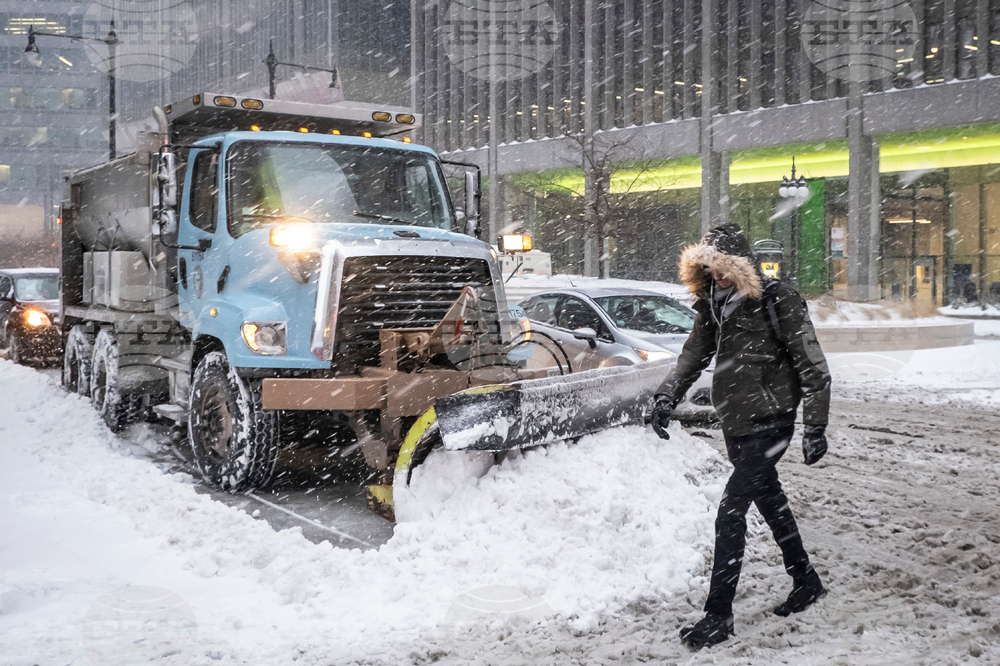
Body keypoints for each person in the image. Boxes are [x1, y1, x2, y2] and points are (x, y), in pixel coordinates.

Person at [650, 223, 832, 650]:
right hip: (737, 422)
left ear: (742, 265)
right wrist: (665, 397)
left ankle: (718, 615)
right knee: (771, 502)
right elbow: (693, 355)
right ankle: (805, 580)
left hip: (771, 422)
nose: (717, 275)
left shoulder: (775, 299)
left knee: (731, 512)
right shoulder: (713, 303)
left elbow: (812, 364)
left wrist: (815, 426)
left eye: (724, 267)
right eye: (710, 267)